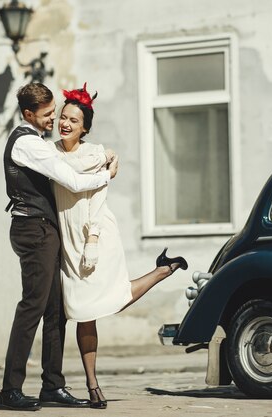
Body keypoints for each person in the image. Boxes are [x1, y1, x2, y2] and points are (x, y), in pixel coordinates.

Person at [52, 84, 188, 409]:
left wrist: (93, 240)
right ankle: (87, 384)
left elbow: (98, 199)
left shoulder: (96, 154)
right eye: (63, 117)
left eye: (74, 119)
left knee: (103, 305)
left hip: (94, 234)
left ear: (85, 126)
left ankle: (92, 384)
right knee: (82, 310)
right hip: (66, 239)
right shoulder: (49, 152)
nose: (66, 123)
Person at [0, 83, 118, 411]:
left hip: (43, 229)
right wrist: (107, 174)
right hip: (33, 230)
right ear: (28, 115)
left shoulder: (37, 142)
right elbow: (74, 180)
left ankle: (52, 385)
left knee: (55, 312)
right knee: (32, 309)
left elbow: (73, 161)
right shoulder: (27, 144)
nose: (54, 119)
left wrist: (105, 154)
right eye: (49, 114)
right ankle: (11, 390)